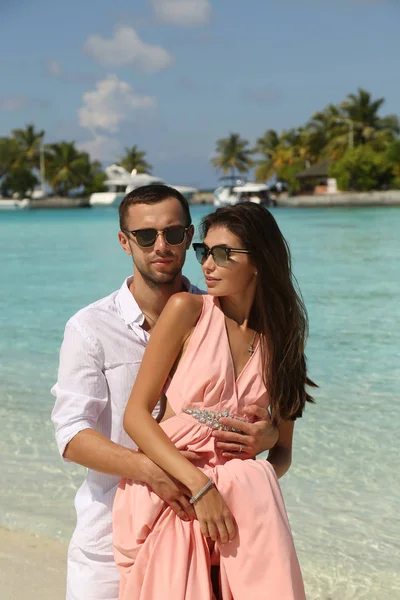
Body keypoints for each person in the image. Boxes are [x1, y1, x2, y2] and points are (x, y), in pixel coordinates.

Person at [51, 185, 281, 600]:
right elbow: (71, 436)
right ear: (124, 242)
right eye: (145, 235)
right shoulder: (90, 329)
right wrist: (158, 472)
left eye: (175, 234)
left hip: (201, 531)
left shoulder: (216, 312)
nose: (162, 246)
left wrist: (270, 437)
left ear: (190, 235)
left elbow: (265, 415)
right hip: (108, 537)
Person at [113, 202, 315, 600]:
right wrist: (202, 489)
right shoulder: (187, 311)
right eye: (205, 251)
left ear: (259, 261)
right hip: (174, 496)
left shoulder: (283, 339)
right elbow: (136, 417)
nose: (208, 264)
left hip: (241, 516)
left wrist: (258, 466)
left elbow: (284, 454)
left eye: (224, 254)